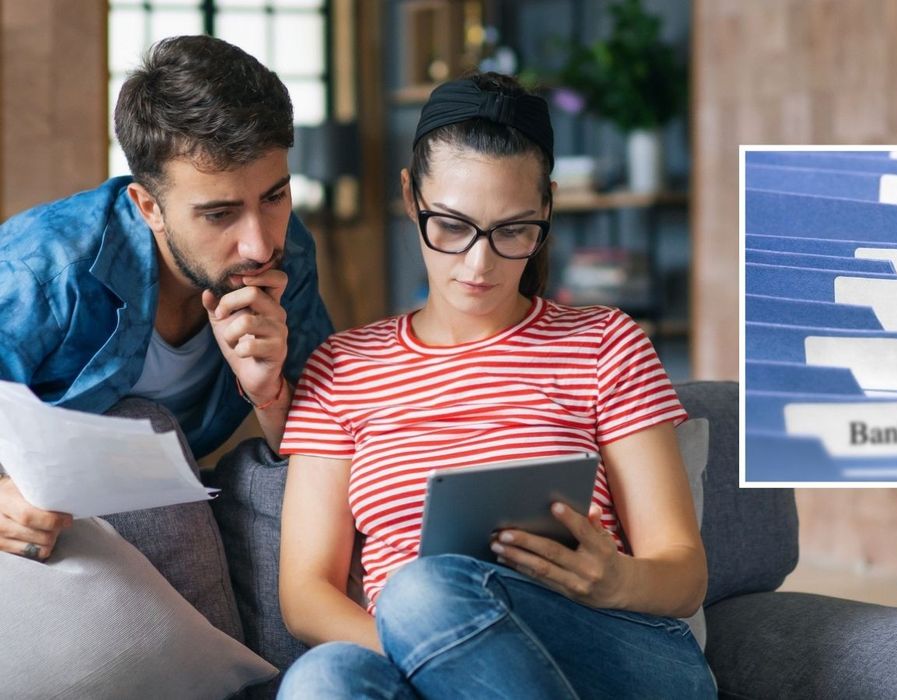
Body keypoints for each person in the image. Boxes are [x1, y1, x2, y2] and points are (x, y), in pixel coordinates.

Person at [277, 72, 716, 699]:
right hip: (431, 655)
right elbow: (305, 595)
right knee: (323, 680)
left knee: (422, 587)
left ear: (546, 210)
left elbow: (684, 575)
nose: (479, 265)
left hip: (616, 646)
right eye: (451, 226)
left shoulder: (604, 342)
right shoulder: (341, 368)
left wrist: (614, 580)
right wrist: (429, 653)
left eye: (513, 230)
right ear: (410, 196)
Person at [0, 34, 333, 562]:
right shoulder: (43, 267)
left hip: (176, 495)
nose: (260, 243)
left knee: (282, 483)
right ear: (148, 206)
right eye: (219, 214)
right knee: (138, 424)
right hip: (53, 519)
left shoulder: (287, 251)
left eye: (274, 196)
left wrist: (268, 392)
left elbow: (327, 435)